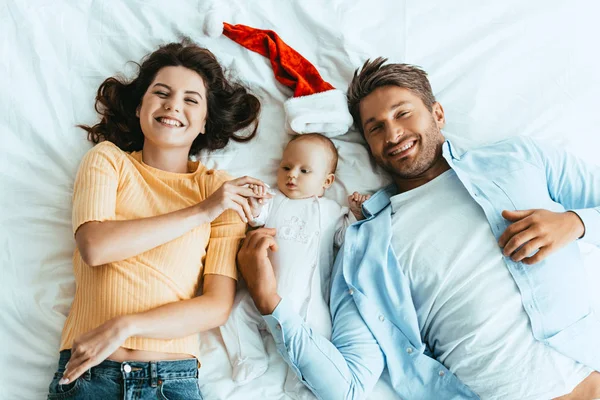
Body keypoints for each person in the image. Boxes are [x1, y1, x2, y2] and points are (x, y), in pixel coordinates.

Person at [237, 58, 600, 399]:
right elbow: (345, 387)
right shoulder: (362, 249)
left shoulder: (518, 159)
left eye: (403, 113)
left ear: (437, 113)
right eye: (375, 128)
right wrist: (269, 300)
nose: (392, 133)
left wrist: (576, 223)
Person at [47, 39, 270, 400]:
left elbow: (215, 306)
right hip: (90, 375)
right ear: (139, 108)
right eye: (161, 93)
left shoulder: (221, 190)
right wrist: (202, 211)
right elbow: (95, 246)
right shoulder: (108, 161)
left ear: (203, 124)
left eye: (190, 100)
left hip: (172, 380)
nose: (173, 106)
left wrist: (126, 326)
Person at [219, 133, 369, 399]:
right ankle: (249, 358)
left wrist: (356, 214)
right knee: (233, 314)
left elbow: (346, 240)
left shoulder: (331, 210)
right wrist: (255, 200)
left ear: (326, 182)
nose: (292, 176)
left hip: (308, 303)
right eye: (286, 167)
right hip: (260, 294)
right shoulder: (274, 199)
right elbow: (254, 217)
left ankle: (300, 383)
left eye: (304, 170)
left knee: (318, 339)